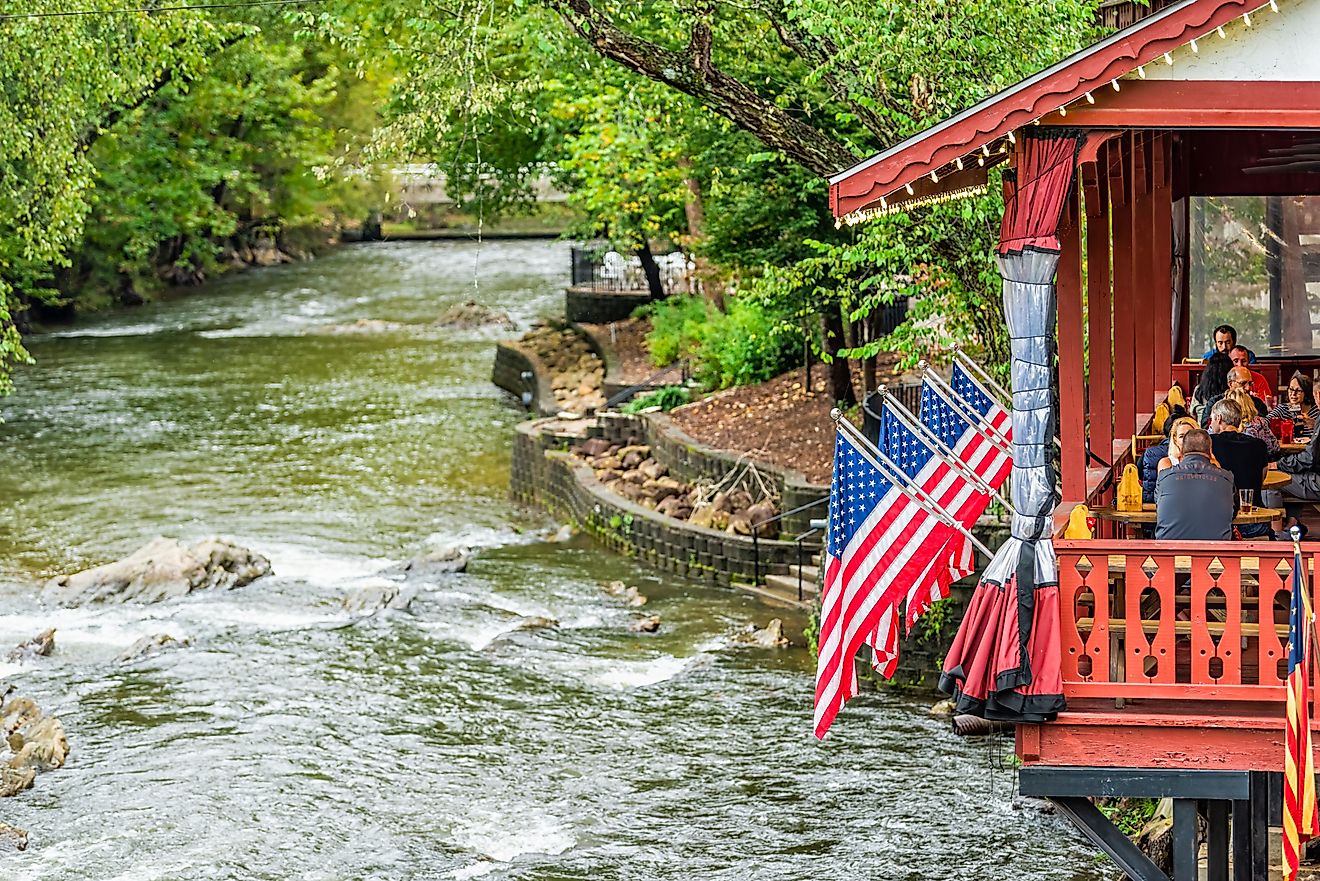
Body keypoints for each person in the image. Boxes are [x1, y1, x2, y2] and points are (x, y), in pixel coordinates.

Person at [1155, 428, 1234, 541]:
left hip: (1171, 547)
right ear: (1210, 450)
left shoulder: (1165, 476)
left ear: (1181, 450)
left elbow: (1159, 505)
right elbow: (1232, 511)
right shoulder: (1226, 478)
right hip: (1215, 548)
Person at [1209, 399, 1271, 538]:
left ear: (1219, 418)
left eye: (1212, 419)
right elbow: (1261, 478)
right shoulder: (1259, 445)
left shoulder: (1210, 444)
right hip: (1255, 521)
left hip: (1221, 522)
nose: (1211, 423)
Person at [1225, 387, 1279, 458]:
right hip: (1258, 462)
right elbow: (1274, 448)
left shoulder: (1224, 425)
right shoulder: (1259, 422)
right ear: (1249, 403)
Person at [1268, 372, 1320, 440]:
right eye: (1291, 389)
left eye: (1298, 391)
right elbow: (1265, 422)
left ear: (1307, 392)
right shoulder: (1283, 408)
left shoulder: (1317, 410)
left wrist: (1316, 425)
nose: (1293, 394)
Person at [1192, 352, 1233, 426]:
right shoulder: (1230, 392)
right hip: (1225, 427)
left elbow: (1193, 414)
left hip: (1201, 428)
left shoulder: (1198, 389)